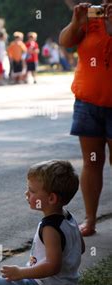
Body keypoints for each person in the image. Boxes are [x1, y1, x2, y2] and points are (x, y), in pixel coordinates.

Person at [0, 160, 85, 285]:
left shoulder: (50, 228)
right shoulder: (68, 217)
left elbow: (53, 266)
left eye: (31, 191)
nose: (27, 194)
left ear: (51, 198)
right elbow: (81, 247)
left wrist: (21, 273)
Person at [59, 1, 112, 237]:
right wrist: (76, 22)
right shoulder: (93, 18)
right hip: (87, 103)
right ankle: (90, 220)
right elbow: (66, 42)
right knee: (91, 163)